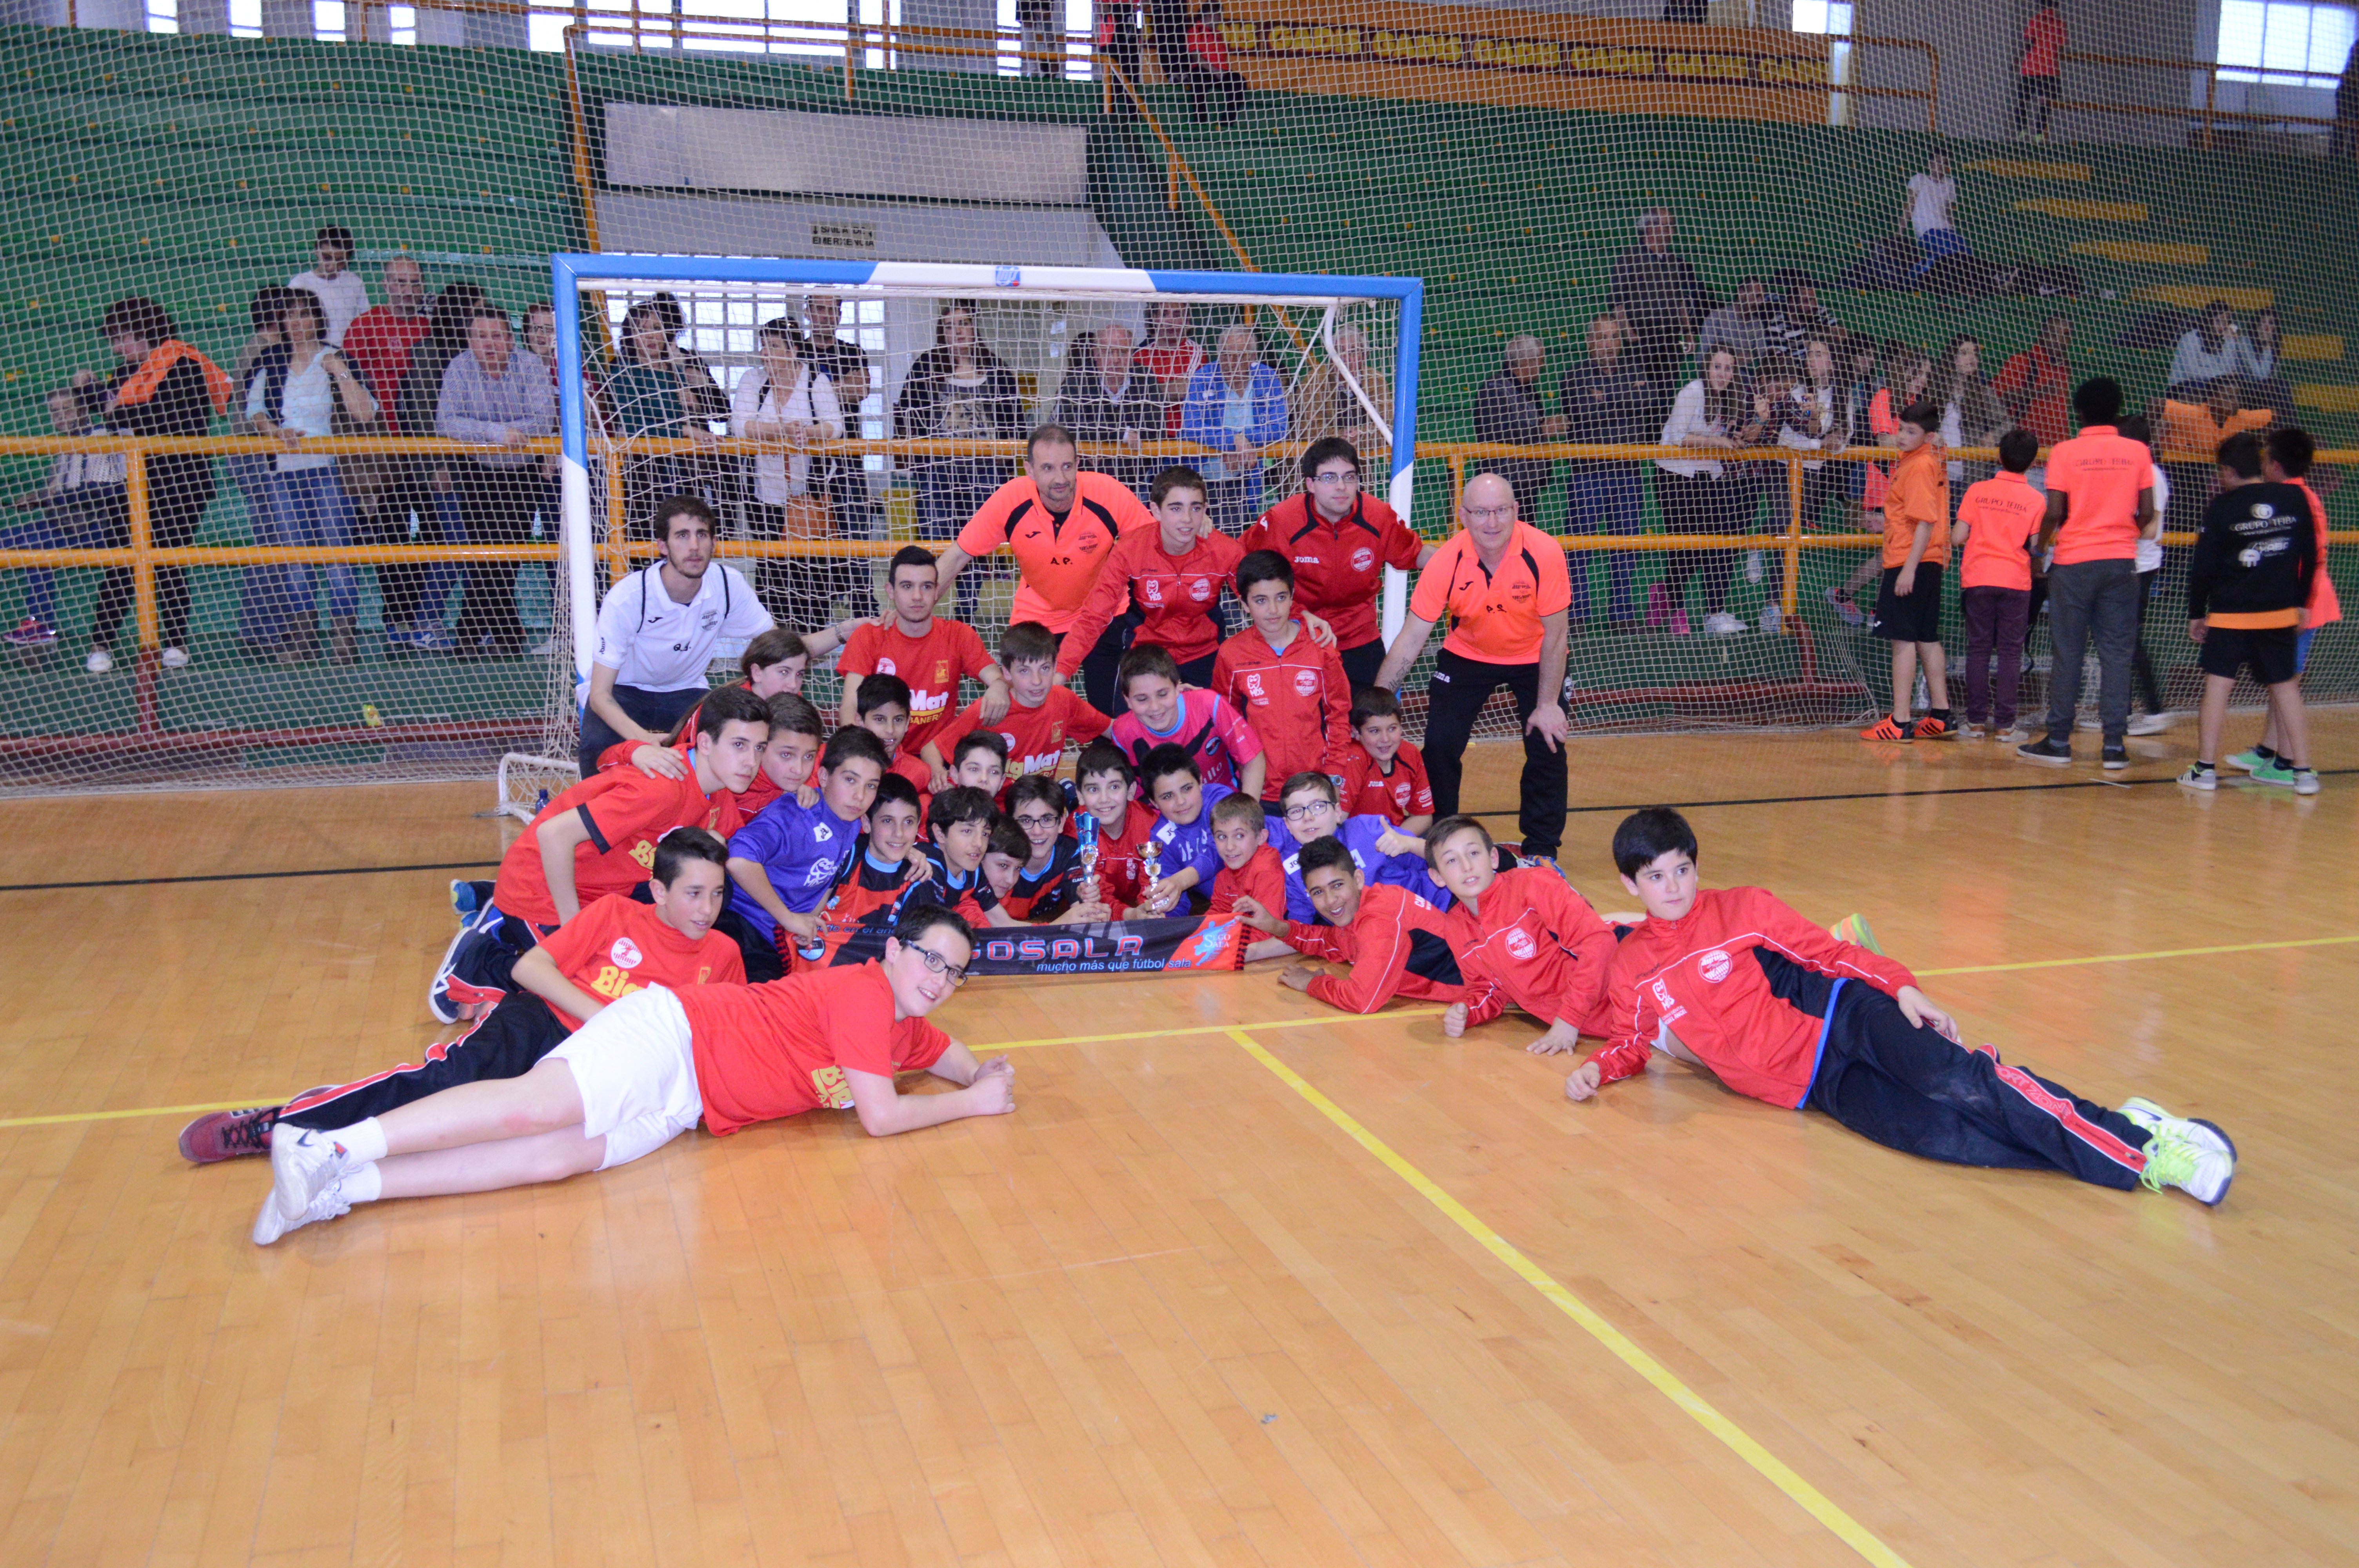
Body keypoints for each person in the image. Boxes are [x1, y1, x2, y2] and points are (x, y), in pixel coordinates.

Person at [1572, 807, 2237, 1208]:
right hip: (1813, 1088)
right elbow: (1636, 1040)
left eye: (1681, 869)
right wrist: (1596, 1071)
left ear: (1696, 865)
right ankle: (2116, 1129)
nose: (1672, 887)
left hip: (1846, 1015)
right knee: (1944, 1137)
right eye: (1654, 877)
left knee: (1959, 1083)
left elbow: (1827, 955)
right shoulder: (1633, 968)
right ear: (1631, 883)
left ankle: (2149, 1152)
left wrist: (1902, 986)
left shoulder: (1742, 908)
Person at [253, 906, 1011, 1244]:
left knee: (551, 1160)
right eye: (932, 960)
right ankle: (334, 1148)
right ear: (893, 952)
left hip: (686, 1104)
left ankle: (338, 1193)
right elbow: (880, 1118)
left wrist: (983, 1073)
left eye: (956, 973)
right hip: (671, 1039)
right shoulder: (864, 991)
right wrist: (975, 1106)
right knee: (532, 1110)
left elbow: (946, 1056)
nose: (941, 979)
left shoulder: (904, 1027)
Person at [184, 828, 744, 1164]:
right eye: (693, 893)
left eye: (717, 895)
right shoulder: (617, 914)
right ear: (658, 890)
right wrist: (606, 1017)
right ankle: (278, 1123)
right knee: (444, 1083)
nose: (705, 909)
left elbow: (721, 1044)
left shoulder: (723, 957)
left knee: (486, 1138)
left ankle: (339, 1151)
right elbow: (531, 968)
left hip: (604, 1071)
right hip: (547, 1022)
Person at [431, 684, 769, 1020]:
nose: (751, 761)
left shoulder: (719, 797)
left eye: (759, 748)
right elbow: (553, 835)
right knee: (578, 988)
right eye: (739, 745)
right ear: (706, 743)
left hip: (602, 896)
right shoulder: (663, 789)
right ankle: (481, 956)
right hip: (540, 889)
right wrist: (572, 927)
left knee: (624, 977)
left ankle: (506, 931)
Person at [1374, 472, 1570, 862]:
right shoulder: (1447, 561)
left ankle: (1542, 846)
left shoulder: (1544, 552)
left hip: (1534, 655)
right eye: (1481, 512)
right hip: (1467, 655)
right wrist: (1376, 706)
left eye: (1500, 511)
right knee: (1442, 745)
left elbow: (1557, 636)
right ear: (1463, 515)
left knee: (1547, 741)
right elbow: (1411, 639)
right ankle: (1442, 836)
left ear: (1516, 511)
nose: (1492, 522)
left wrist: (1548, 704)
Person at [937, 424, 1157, 713]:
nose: (1060, 479)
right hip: (1038, 615)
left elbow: (1156, 543)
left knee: (1113, 714)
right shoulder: (1011, 499)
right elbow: (955, 558)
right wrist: (912, 605)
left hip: (1103, 615)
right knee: (1022, 712)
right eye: (1048, 468)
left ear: (1079, 464)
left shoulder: (1107, 493)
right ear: (1029, 469)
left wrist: (1199, 529)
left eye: (1068, 466)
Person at [74, 298, 226, 675]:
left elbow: (160, 418)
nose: (117, 346)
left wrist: (97, 396)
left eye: (123, 337)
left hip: (180, 482)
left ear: (147, 333)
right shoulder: (127, 374)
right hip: (133, 482)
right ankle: (101, 643)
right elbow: (113, 419)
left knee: (168, 559)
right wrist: (93, 395)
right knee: (122, 563)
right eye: (114, 338)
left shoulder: (184, 364)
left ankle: (174, 641)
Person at [577, 494, 774, 779]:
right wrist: (643, 741)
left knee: (727, 740)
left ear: (714, 543)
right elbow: (599, 695)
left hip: (686, 691)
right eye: (682, 536)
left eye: (702, 535)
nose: (694, 546)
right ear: (662, 546)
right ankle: (593, 812)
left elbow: (781, 647)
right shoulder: (629, 598)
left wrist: (843, 633)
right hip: (624, 691)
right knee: (598, 746)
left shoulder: (727, 585)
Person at [2017, 378, 2155, 770]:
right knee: (2116, 653)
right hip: (2120, 562)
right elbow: (2146, 510)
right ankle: (2114, 745)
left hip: (2074, 562)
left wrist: (2040, 549)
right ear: (2117, 410)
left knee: (2069, 652)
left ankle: (2059, 740)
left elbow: (2055, 511)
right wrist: (2125, 529)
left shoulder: (2065, 451)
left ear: (2078, 412)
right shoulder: (2137, 451)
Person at [2177, 431, 2318, 794]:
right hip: (2278, 613)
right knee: (2286, 688)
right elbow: (2310, 553)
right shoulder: (2293, 497)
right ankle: (2303, 773)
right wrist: (2302, 603)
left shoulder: (2222, 507)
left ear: (2228, 470)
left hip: (2229, 616)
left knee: (2219, 687)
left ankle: (2205, 770)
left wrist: (2197, 612)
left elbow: (2203, 566)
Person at [244, 287, 376, 665]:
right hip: (283, 473)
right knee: (296, 559)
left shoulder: (335, 357)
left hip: (329, 472)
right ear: (281, 323)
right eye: (290, 316)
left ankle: (343, 640)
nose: (298, 323)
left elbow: (365, 413)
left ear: (317, 318)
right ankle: (303, 638)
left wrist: (341, 371)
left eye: (304, 314)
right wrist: (273, 431)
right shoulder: (270, 359)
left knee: (336, 557)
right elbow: (253, 408)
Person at [1238, 436, 1432, 690]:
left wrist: (1466, 557)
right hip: (1299, 634)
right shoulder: (1282, 521)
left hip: (1360, 639)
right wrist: (1292, 615)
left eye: (1349, 477)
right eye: (1329, 478)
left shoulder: (1378, 516)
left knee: (1369, 722)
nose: (1341, 486)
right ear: (1310, 484)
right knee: (1303, 725)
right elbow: (1239, 562)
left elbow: (1414, 554)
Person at [1421, 816, 1618, 1057]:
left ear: (1494, 858)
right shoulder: (1456, 926)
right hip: (1599, 1025)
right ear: (1437, 877)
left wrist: (1569, 1021)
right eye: (1452, 860)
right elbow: (1487, 988)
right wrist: (1467, 1010)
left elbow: (1600, 944)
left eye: (1473, 854)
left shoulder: (1534, 885)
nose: (1466, 866)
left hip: (1631, 990)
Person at [723, 725, 893, 980]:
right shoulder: (794, 815)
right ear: (823, 778)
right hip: (740, 922)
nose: (860, 796)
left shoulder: (854, 822)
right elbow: (738, 861)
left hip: (780, 938)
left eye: (871, 786)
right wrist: (789, 918)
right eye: (850, 780)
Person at [1058, 464, 1247, 689]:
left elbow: (1261, 599)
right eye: (1176, 509)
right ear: (1156, 511)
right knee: (1126, 724)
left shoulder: (1225, 551)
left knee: (1216, 720)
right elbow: (1095, 616)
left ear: (1206, 509)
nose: (1187, 519)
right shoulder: (1131, 549)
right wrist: (1060, 673)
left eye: (1195, 509)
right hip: (1146, 655)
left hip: (1204, 655)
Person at [1229, 837, 1467, 1014]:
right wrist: (1276, 927)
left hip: (1489, 991)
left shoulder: (1379, 919)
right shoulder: (1364, 907)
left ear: (1358, 880)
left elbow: (1363, 1000)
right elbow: (1328, 941)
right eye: (1318, 892)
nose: (1331, 900)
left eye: (1337, 886)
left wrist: (1311, 983)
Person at [438, 305, 556, 658]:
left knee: (509, 557)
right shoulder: (459, 366)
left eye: (497, 335)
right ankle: (505, 633)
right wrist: (498, 432)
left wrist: (509, 434)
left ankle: (470, 633)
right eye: (480, 336)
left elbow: (543, 420)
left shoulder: (531, 365)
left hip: (523, 474)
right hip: (476, 472)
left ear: (510, 338)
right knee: (482, 556)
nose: (489, 344)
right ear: (470, 339)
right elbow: (446, 422)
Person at [896, 301, 1025, 620]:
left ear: (974, 329)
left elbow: (1017, 422)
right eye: (951, 326)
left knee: (976, 546)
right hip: (938, 471)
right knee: (938, 542)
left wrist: (1007, 467)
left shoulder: (996, 369)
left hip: (984, 472)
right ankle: (926, 612)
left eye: (964, 324)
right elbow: (904, 413)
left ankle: (966, 613)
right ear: (943, 332)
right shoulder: (926, 366)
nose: (959, 332)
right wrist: (911, 457)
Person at [341, 256, 441, 655]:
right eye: (399, 281)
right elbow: (348, 387)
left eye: (414, 282)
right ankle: (394, 619)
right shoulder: (364, 326)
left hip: (426, 450)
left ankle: (421, 617)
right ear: (385, 284)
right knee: (392, 538)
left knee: (434, 536)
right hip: (382, 451)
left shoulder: (431, 327)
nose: (407, 288)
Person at [2230, 427, 2344, 775]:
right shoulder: (2291, 494)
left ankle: (2288, 761)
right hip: (2295, 597)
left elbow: (2308, 557)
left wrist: (2299, 605)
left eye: (2265, 458)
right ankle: (2269, 748)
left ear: (2275, 465)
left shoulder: (2294, 499)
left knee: (2287, 682)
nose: (2262, 463)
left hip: (2300, 600)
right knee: (2281, 677)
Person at [1210, 551, 1353, 806]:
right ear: (1244, 603)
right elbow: (1226, 721)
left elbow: (1339, 715)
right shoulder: (1232, 654)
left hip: (1315, 786)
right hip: (1261, 790)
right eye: (1261, 600)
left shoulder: (1320, 647)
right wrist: (1243, 772)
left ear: (1292, 597)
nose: (1273, 610)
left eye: (1281, 597)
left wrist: (1333, 775)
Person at [731, 316, 846, 627]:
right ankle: (773, 634)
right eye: (764, 346)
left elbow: (836, 426)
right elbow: (739, 425)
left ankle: (813, 636)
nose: (766, 353)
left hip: (808, 492)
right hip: (764, 492)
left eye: (775, 346)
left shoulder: (814, 381)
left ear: (793, 350)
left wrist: (808, 433)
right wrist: (778, 430)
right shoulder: (753, 381)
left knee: (811, 567)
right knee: (771, 566)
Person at [838, 544, 1007, 751]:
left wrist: (999, 686)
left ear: (937, 591)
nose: (917, 596)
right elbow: (850, 707)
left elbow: (996, 678)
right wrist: (862, 755)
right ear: (891, 591)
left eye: (926, 586)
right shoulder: (868, 637)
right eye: (907, 586)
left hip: (936, 763)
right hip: (880, 755)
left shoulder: (958, 635)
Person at [922, 619, 1112, 791]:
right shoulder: (991, 709)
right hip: (992, 810)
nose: (1037, 681)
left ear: (1056, 667)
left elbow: (1112, 729)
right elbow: (930, 749)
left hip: (1035, 808)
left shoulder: (1064, 701)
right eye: (1024, 671)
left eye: (1045, 669)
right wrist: (938, 773)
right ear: (1006, 673)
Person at [2, 387, 125, 650]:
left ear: (83, 410)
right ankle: (40, 625)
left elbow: (104, 491)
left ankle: (42, 625)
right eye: (55, 412)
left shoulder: (99, 437)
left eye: (67, 410)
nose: (60, 417)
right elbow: (58, 492)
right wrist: (36, 498)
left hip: (96, 530)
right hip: (62, 527)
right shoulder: (64, 446)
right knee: (7, 540)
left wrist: (49, 499)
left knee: (36, 547)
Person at [1860, 401, 1954, 742]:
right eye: (1900, 429)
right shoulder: (1927, 458)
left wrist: (1908, 570)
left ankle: (1899, 723)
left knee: (1902, 640)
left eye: (1911, 432)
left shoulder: (1919, 466)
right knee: (1926, 637)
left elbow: (1926, 521)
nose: (1901, 436)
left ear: (1926, 436)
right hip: (1927, 559)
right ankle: (1940, 714)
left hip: (1910, 560)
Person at [1652, 346, 1758, 637]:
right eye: (1718, 367)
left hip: (1706, 475)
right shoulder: (1693, 392)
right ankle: (1674, 608)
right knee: (1685, 544)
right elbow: (1677, 437)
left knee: (1713, 544)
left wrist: (1752, 426)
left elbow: (1737, 438)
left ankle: (1710, 610)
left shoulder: (1731, 397)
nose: (1723, 374)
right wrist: (1722, 444)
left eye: (1729, 368)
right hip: (1674, 475)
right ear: (1705, 367)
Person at [1557, 314, 1654, 632]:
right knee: (1579, 546)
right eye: (1601, 338)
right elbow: (1582, 411)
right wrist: (1623, 399)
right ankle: (1578, 613)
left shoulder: (1636, 370)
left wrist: (1606, 400)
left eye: (1613, 337)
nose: (1608, 345)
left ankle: (1623, 615)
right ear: (1589, 342)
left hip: (1628, 474)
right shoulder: (1574, 375)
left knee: (1625, 546)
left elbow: (1648, 402)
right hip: (1588, 473)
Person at [1954, 430, 2046, 742]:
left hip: (1978, 578)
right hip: (2016, 582)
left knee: (1978, 650)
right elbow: (2037, 547)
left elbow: (1957, 537)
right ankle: (2006, 726)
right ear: (2033, 463)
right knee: (2010, 652)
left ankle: (1976, 722)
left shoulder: (1977, 490)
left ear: (1998, 456)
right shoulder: (2036, 499)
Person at [1265, 770, 1445, 921]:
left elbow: (1445, 859)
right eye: (1296, 811)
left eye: (1318, 807)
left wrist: (1411, 844)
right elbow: (1300, 929)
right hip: (1383, 936)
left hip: (1438, 909)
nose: (1308, 817)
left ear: (1337, 813)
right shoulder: (1292, 865)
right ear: (1287, 824)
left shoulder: (1367, 830)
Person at [1108, 641, 1267, 798]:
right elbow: (1132, 793)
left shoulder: (1209, 705)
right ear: (1127, 700)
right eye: (1142, 699)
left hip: (1223, 807)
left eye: (1163, 694)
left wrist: (1247, 812)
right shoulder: (1123, 733)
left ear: (1178, 687)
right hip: (1163, 817)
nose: (1155, 707)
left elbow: (1252, 758)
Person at [1180, 324, 1287, 534]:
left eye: (1243, 356)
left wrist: (1241, 441)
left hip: (1257, 474)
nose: (1234, 363)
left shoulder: (1267, 377)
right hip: (1209, 478)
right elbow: (1191, 427)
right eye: (1228, 355)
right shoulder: (1203, 378)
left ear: (1254, 356)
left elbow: (1280, 427)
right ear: (1219, 354)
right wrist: (1232, 442)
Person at [1608, 208, 1708, 415]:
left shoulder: (1676, 262)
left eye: (1672, 225)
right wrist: (1629, 333)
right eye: (1667, 225)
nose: (1671, 230)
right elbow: (1617, 301)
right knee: (1639, 391)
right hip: (1641, 338)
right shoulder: (1629, 258)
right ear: (1650, 228)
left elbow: (1681, 301)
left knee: (1665, 392)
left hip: (1669, 338)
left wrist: (1688, 333)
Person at [1052, 323, 1161, 494]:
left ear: (1132, 355)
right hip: (1086, 481)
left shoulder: (1147, 380)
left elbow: (1153, 429)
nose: (1116, 360)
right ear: (1096, 354)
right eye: (1108, 352)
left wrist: (1098, 442)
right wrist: (1122, 435)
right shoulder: (1077, 381)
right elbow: (1070, 426)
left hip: (1137, 480)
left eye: (1123, 352)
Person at [1470, 334, 1563, 524]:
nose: (1542, 366)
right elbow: (1496, 433)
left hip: (1526, 480)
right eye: (1540, 360)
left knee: (1524, 536)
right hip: (1501, 483)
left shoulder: (1529, 390)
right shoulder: (1494, 388)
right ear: (1527, 361)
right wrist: (1541, 431)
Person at [1134, 744, 1234, 914]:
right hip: (1228, 910)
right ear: (1154, 802)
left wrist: (1181, 880)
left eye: (1187, 789)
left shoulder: (1220, 800)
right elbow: (1175, 902)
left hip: (1277, 894)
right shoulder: (1160, 839)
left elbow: (1223, 849)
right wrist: (1163, 916)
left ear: (1201, 782)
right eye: (1168, 796)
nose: (1181, 802)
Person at [1070, 738, 1162, 917]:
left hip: (1134, 906)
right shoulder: (1075, 830)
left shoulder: (1150, 824)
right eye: (1093, 790)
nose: (1104, 799)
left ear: (1130, 791)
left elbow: (1152, 881)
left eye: (1114, 787)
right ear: (1080, 796)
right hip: (1107, 914)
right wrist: (1129, 915)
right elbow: (1093, 894)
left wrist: (1147, 909)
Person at [1339, 686, 1432, 833]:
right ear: (1356, 733)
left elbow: (1424, 816)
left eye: (1392, 729)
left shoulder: (1410, 753)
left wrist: (1394, 841)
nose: (1385, 739)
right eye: (1375, 731)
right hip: (1354, 842)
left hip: (1394, 836)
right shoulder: (1354, 759)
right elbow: (1338, 822)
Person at [1288, 323, 1390, 454]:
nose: (1346, 359)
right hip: (1320, 457)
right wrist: (1343, 437)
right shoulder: (1314, 381)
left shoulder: (1377, 381)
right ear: (1331, 357)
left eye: (1353, 352)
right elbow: (1308, 429)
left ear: (1364, 356)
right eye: (1340, 352)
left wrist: (1360, 435)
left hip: (1362, 460)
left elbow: (1388, 426)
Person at [1995, 315, 2073, 463]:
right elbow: (2000, 398)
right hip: (2024, 460)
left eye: (2066, 335)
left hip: (2055, 458)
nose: (2061, 341)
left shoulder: (2063, 368)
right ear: (2043, 335)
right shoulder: (2023, 361)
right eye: (2054, 334)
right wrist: (2040, 392)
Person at [1205, 789, 1285, 918]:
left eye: (1240, 836)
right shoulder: (1228, 866)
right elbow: (1219, 911)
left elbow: (1267, 928)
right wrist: (1195, 933)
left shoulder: (1266, 869)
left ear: (1261, 837)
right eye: (1222, 837)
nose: (1230, 847)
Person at [288, 225, 369, 348]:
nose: (332, 265)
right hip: (309, 355)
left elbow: (365, 322)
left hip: (346, 354)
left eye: (340, 261)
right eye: (327, 258)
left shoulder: (354, 283)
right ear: (316, 251)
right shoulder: (299, 284)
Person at [1135, 299, 1203, 438]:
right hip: (1145, 435)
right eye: (1165, 314)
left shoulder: (1195, 351)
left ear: (1187, 319)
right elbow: (1132, 396)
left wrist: (1147, 392)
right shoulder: (1139, 356)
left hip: (1182, 436)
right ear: (1154, 318)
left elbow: (1186, 390)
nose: (1171, 321)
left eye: (1177, 314)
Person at [1902, 151, 1968, 272]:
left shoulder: (1950, 183)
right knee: (1946, 255)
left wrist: (1953, 228)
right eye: (1938, 162)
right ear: (1930, 164)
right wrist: (1900, 232)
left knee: (1966, 254)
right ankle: (1914, 274)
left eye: (1945, 163)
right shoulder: (1920, 179)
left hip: (1947, 229)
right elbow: (1909, 206)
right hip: (1927, 229)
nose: (1941, 165)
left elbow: (1948, 210)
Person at [1695, 278, 1771, 373]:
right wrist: (1734, 359)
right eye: (1757, 296)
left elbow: (1763, 357)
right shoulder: (1717, 318)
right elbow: (1702, 358)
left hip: (1746, 378)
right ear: (1741, 293)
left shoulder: (1757, 324)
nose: (1761, 302)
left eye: (1763, 298)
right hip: (1719, 375)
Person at [2167, 301, 2244, 392]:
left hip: (2211, 385)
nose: (2222, 326)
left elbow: (2229, 368)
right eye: (2218, 321)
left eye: (2226, 322)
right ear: (2209, 320)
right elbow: (2192, 372)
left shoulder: (2224, 340)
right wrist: (2221, 375)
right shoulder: (2191, 338)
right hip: (2183, 387)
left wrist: (2229, 342)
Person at [2016, 1, 2065, 141]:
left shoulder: (2036, 21)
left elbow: (2028, 43)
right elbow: (2060, 46)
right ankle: (2039, 133)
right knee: (2045, 102)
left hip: (2031, 67)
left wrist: (2019, 58)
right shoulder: (2059, 23)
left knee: (2023, 100)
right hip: (2049, 68)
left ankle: (2022, 130)